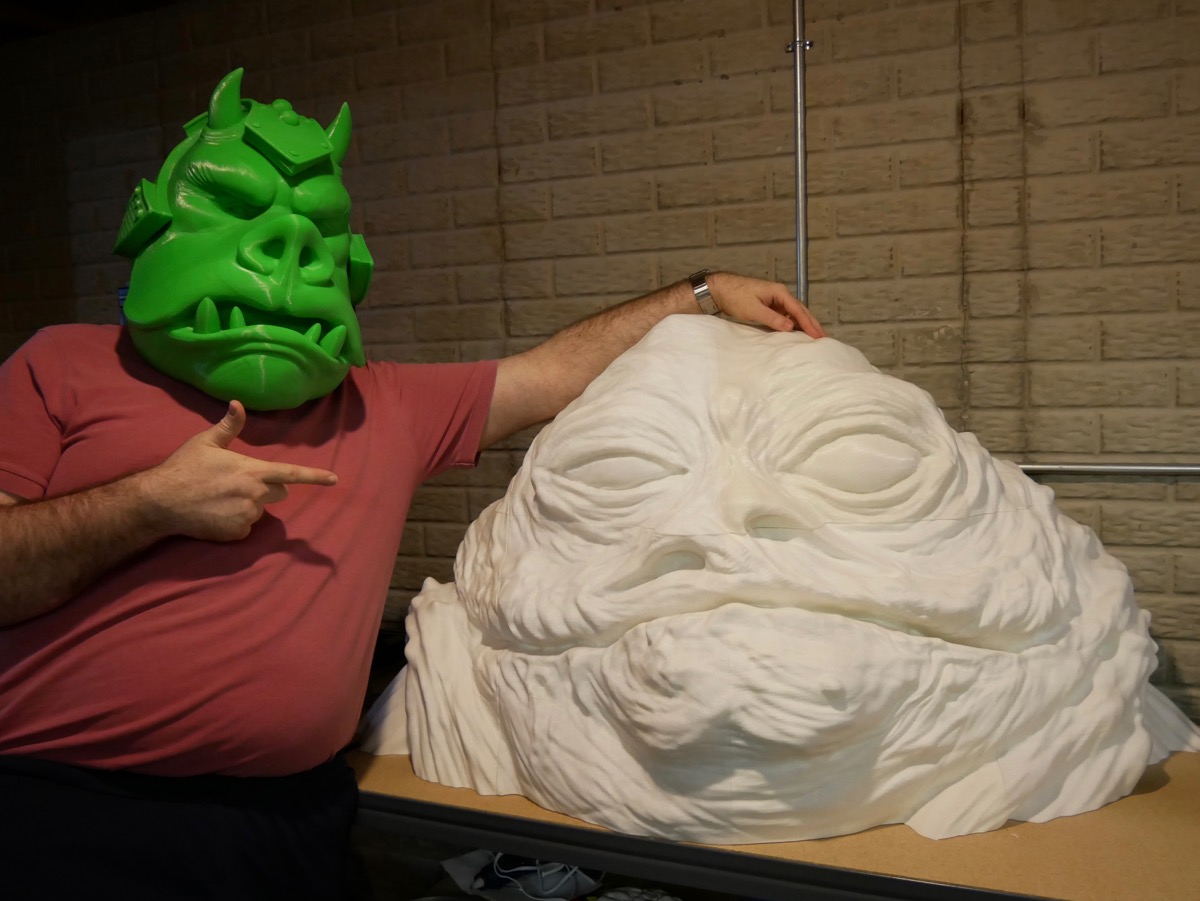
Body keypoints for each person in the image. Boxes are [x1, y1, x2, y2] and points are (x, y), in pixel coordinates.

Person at [0, 69, 825, 900]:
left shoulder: (382, 405)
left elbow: (549, 373)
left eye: (317, 226)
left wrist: (704, 292)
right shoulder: (62, 365)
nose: (284, 253)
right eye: (241, 206)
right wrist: (148, 502)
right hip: (67, 807)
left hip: (290, 819)